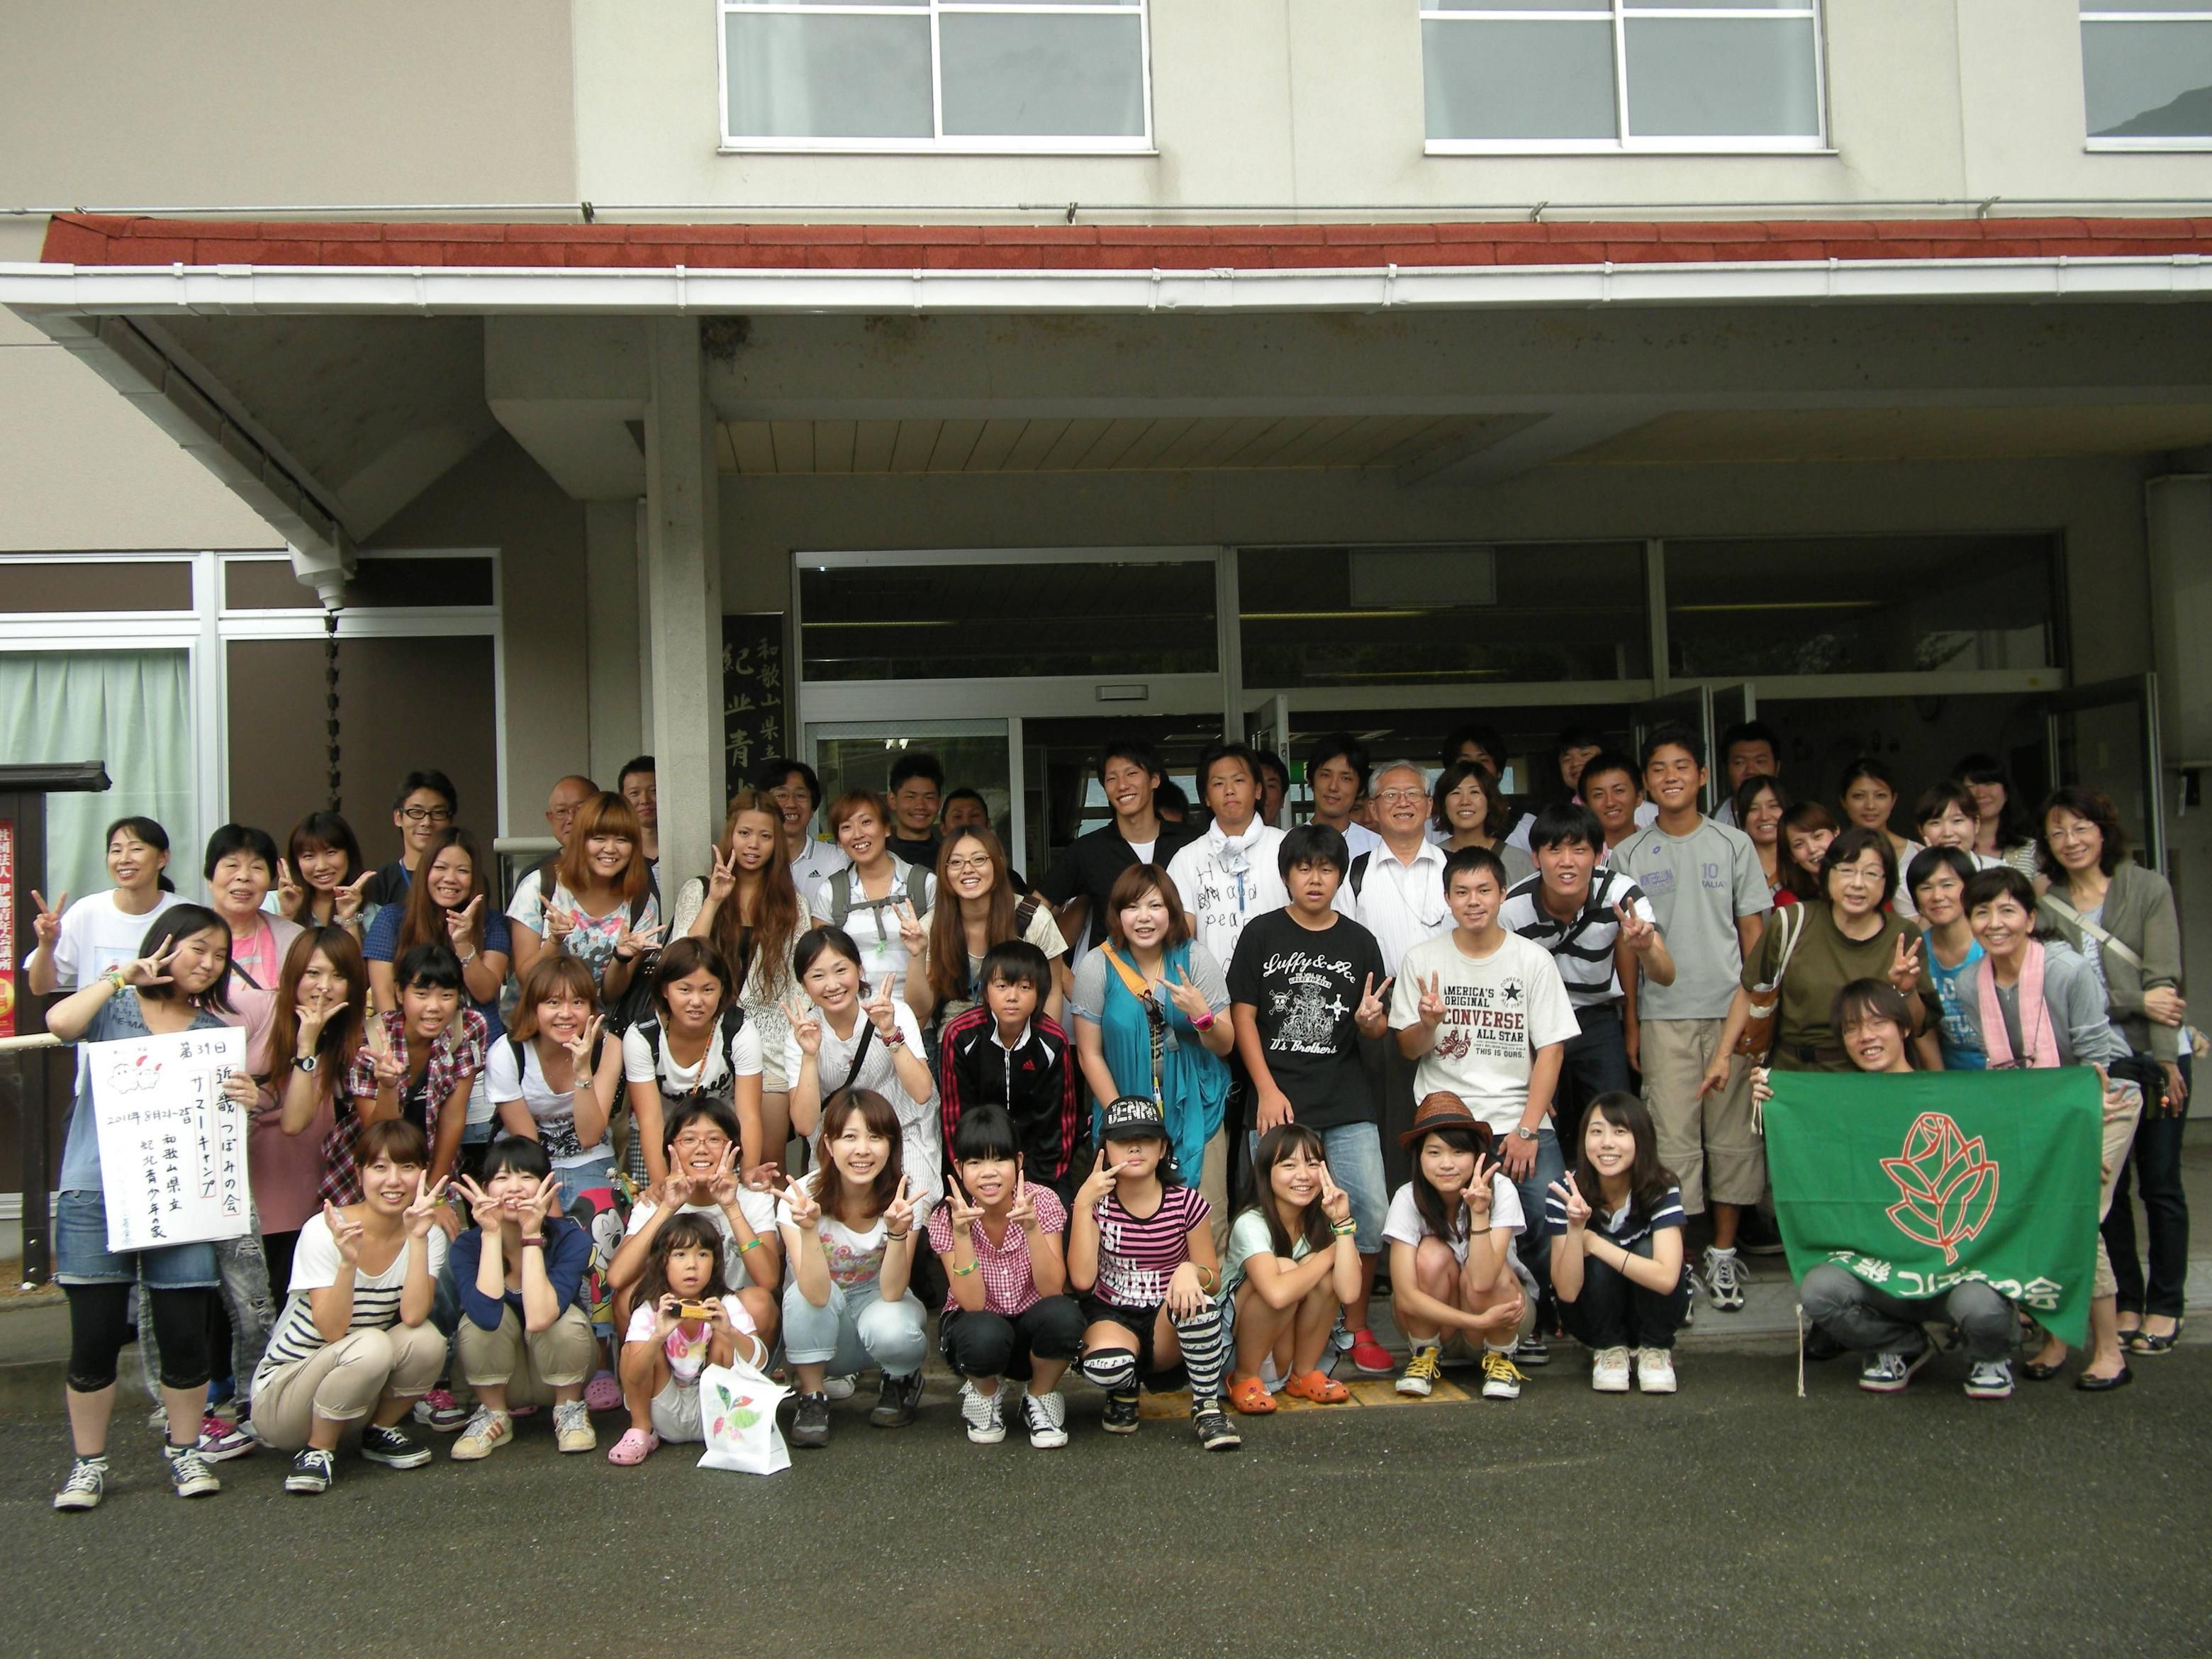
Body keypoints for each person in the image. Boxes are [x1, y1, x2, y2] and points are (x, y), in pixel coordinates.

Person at [46, 905, 240, 1509]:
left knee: (184, 1335)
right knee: (94, 1339)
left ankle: (185, 1451)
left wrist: (245, 1097)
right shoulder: (115, 1007)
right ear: (165, 945)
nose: (208, 964)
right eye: (198, 949)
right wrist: (118, 977)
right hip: (95, 1193)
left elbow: (221, 1125)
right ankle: (88, 1464)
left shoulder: (211, 1035)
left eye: (219, 956)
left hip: (182, 1199)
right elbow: (59, 1022)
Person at [1777, 981, 2023, 1400]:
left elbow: (2025, 1133)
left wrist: (2081, 1107)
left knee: (1981, 1308)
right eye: (1852, 1028)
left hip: (1958, 1270)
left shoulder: (1952, 1096)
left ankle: (1990, 1354)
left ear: (1905, 1028)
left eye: (1878, 1023)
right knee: (1820, 1292)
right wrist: (1774, 1100)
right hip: (1878, 1272)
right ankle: (1900, 1345)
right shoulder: (1839, 1105)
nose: (1866, 1036)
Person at [1388, 845, 1576, 1387]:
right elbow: (1408, 1048)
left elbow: (1552, 1050)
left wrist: (1527, 1128)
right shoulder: (1423, 959)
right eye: (1462, 892)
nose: (1474, 901)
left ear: (1502, 894)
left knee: (1543, 1214)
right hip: (1447, 1123)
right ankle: (1444, 1333)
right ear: (1447, 899)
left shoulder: (1531, 960)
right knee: (1437, 1233)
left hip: (1516, 1117)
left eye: (1484, 890)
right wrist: (1428, 1023)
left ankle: (1526, 1324)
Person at [1959, 866, 2144, 1390]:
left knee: (2074, 1214)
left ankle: (2109, 1351)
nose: (1995, 923)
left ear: (2030, 917)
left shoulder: (2067, 970)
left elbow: (2096, 1058)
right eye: (1982, 912)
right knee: (2036, 1217)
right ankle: (2057, 1339)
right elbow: (1995, 1063)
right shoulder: (1970, 983)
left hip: (2100, 1099)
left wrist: (2082, 1141)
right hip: (2033, 1110)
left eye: (2007, 910)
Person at [1608, 724, 1771, 1315]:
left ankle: (1723, 1254)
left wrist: (1759, 1015)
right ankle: (1677, 1258)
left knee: (1733, 1140)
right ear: (1646, 784)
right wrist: (1632, 1021)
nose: (1670, 777)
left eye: (1682, 766)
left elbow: (1754, 936)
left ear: (1703, 776)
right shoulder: (1628, 853)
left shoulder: (1734, 844)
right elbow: (1628, 950)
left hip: (1731, 1014)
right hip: (1664, 1019)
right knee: (1672, 1141)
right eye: (1658, 769)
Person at [1497, 803, 1675, 1328]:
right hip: (1535, 1032)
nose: (1567, 860)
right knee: (1548, 1135)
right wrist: (1532, 1068)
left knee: (1613, 1128)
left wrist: (1645, 946)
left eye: (1580, 849)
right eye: (1555, 849)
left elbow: (1665, 973)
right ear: (1536, 857)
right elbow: (1508, 995)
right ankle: (1559, 1271)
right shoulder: (1514, 908)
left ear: (1599, 855)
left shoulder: (1622, 893)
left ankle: (1624, 1237)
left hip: (1596, 1021)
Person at [1226, 823, 1394, 1375]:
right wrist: (1266, 1089)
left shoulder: (1359, 941)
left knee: (1367, 1211)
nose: (1315, 878)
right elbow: (1243, 1017)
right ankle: (1282, 1336)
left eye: (1326, 868)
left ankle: (1356, 1325)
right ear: (1287, 876)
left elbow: (1375, 1026)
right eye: (1304, 868)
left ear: (1340, 877)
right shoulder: (1261, 934)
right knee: (1278, 1219)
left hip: (1346, 1102)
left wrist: (1370, 1023)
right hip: (1278, 1102)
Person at [2034, 786, 2189, 1356]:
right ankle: (2126, 1299)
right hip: (2098, 1064)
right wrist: (2135, 1001)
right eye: (2058, 831)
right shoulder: (2046, 903)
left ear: (2104, 831)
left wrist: (2168, 1060)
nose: (2070, 840)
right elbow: (2063, 991)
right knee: (2110, 1186)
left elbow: (2164, 984)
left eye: (2081, 828)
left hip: (2156, 1055)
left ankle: (2167, 1305)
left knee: (2162, 1183)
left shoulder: (2147, 887)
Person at [248, 1121, 447, 1493]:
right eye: (380, 1167)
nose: (393, 1181)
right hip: (284, 1399)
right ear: (359, 1173)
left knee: (427, 1340)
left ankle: (379, 1431)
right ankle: (317, 1451)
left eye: (406, 1167)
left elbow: (413, 1316)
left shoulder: (428, 1234)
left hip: (353, 1389)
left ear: (422, 1174)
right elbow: (332, 1331)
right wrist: (347, 1263)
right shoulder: (325, 1230)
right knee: (372, 1344)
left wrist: (418, 1239)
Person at [1067, 865, 1236, 1230]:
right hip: (1122, 1104)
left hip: (1195, 1105)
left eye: (1155, 906)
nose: (1144, 917)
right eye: (1132, 907)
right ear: (1117, 914)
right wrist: (1123, 1119)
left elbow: (1225, 1045)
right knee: (1128, 1222)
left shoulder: (1194, 959)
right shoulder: (1097, 965)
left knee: (1206, 1220)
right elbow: (1088, 1054)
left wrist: (1202, 1016)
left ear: (1171, 912)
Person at [1068, 1095, 1239, 1450]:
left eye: (1146, 1139)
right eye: (1122, 1140)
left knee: (1203, 1306)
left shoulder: (1186, 1202)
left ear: (1162, 1148)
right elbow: (1082, 1281)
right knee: (1107, 1366)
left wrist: (1190, 1271)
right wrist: (1084, 1202)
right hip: (1112, 1316)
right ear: (1106, 1149)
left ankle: (1207, 1407)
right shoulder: (1095, 1204)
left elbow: (1213, 1278)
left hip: (1167, 1320)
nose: (1135, 1148)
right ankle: (1124, 1390)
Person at [777, 1088, 932, 1446]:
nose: (863, 1149)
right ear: (829, 1145)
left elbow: (892, 1292)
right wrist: (809, 1229)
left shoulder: (903, 1200)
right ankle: (812, 1396)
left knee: (895, 1328)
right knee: (801, 1297)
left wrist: (898, 1232)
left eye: (875, 1137)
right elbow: (815, 1294)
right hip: (822, 1319)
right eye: (850, 1137)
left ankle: (900, 1378)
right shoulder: (801, 1199)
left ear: (891, 1146)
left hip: (876, 1306)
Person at [929, 1105, 1082, 1448]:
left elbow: (1052, 1289)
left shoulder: (1042, 1201)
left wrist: (1032, 1228)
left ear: (1018, 1162)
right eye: (975, 1162)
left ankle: (1039, 1397)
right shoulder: (947, 1216)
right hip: (977, 1329)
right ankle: (985, 1393)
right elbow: (972, 1303)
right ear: (959, 1167)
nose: (988, 1173)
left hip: (1030, 1329)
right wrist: (962, 1235)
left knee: (1065, 1316)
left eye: (999, 1160)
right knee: (982, 1333)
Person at [364, 827, 513, 1169]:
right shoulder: (392, 918)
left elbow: (485, 991)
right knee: (404, 1161)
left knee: (476, 1167)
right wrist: (396, 1054)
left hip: (477, 1068)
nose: (450, 879)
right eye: (441, 868)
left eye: (462, 870)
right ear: (424, 870)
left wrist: (463, 944)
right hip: (408, 1067)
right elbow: (384, 995)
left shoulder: (491, 923)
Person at [674, 790, 803, 1173]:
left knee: (767, 1164)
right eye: (745, 833)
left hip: (771, 1047)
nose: (753, 845)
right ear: (731, 834)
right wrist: (714, 901)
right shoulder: (698, 890)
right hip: (706, 1041)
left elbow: (799, 984)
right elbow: (679, 962)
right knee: (705, 1162)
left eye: (765, 836)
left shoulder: (792, 902)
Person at [448, 1138, 598, 1459]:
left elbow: (542, 1317)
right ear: (485, 1189)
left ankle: (569, 1411)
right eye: (502, 1178)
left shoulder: (570, 1238)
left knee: (563, 1319)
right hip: (502, 1379)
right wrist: (490, 1233)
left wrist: (531, 1235)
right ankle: (494, 1415)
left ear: (547, 1187)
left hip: (559, 1375)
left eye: (527, 1177)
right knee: (476, 1323)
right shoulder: (467, 1247)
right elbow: (485, 1318)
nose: (514, 1187)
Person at [1341, 761, 1453, 1186]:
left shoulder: (1453, 870)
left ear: (1429, 805)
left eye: (1412, 794)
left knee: (1450, 1115)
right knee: (1392, 1119)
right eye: (1390, 795)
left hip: (1451, 1008)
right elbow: (1344, 949)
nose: (1402, 803)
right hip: (1382, 1011)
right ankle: (1398, 1209)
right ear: (1372, 808)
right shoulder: (1355, 873)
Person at [1384, 1093, 1530, 1401]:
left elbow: (1483, 1280)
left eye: (1458, 1151)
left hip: (1501, 1321)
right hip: (1438, 1328)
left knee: (1493, 1268)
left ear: (1477, 1156)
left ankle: (1501, 1358)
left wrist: (1480, 1213)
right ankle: (1424, 1354)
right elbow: (1406, 1296)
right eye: (1434, 1152)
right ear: (1419, 1158)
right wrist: (1475, 1321)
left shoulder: (1501, 1189)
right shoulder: (1407, 1198)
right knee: (1430, 1254)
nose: (1447, 1164)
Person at [784, 926, 942, 1207]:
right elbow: (805, 1124)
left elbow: (922, 1092)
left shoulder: (894, 1012)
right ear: (804, 985)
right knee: (829, 1214)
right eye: (818, 976)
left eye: (840, 970)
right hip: (840, 1144)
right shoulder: (801, 1034)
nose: (832, 985)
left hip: (902, 1134)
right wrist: (810, 1055)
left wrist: (890, 1033)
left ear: (859, 969)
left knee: (910, 1210)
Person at [609, 1098, 783, 1350]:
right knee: (627, 1298)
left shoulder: (754, 1200)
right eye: (689, 1139)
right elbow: (616, 1278)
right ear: (671, 1149)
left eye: (714, 1139)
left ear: (733, 1148)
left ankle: (739, 1374)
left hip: (731, 1317)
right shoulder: (655, 1202)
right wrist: (667, 1208)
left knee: (760, 1302)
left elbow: (768, 1280)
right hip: (672, 1317)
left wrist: (731, 1207)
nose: (702, 1149)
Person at [1545, 1093, 1687, 1393]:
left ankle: (1655, 1350)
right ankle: (1609, 1349)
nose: (1607, 1143)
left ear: (1641, 1139)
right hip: (1592, 1318)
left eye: (1620, 1132)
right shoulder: (1565, 1191)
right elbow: (1567, 1292)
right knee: (1592, 1259)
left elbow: (1666, 1279)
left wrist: (1596, 1244)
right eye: (1597, 1132)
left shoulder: (1661, 1188)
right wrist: (1576, 1230)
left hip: (1654, 1314)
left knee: (1647, 1249)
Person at [259, 927, 369, 1298]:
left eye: (338, 976)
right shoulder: (262, 1014)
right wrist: (305, 1045)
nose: (324, 986)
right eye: (313, 973)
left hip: (326, 1198)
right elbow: (293, 1123)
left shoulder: (357, 1038)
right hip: (266, 1193)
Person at [1220, 1124, 1362, 1414]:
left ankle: (1303, 1374)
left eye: (1312, 1164)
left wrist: (1343, 1225)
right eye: (1289, 1165)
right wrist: (1329, 1254)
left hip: (1287, 1348)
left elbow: (1349, 1293)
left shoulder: (1324, 1220)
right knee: (1285, 1268)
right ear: (1266, 1172)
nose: (1303, 1175)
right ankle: (1245, 1378)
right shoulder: (1251, 1223)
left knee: (1321, 1274)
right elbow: (1276, 1295)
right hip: (1235, 1351)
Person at [607, 1212, 767, 1466]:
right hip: (665, 1412)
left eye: (702, 1255)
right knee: (635, 1350)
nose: (692, 1265)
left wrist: (730, 1332)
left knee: (725, 1338)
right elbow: (634, 1374)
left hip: (716, 1413)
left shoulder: (725, 1303)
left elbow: (759, 1361)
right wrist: (659, 1336)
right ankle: (640, 1429)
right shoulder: (650, 1309)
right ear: (662, 1262)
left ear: (715, 1262)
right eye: (680, 1255)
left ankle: (733, 1432)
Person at [939, 940, 1085, 1207]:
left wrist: (1037, 1187)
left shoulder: (1053, 1041)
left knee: (1060, 1214)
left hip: (1037, 1165)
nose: (1012, 996)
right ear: (986, 991)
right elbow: (954, 1118)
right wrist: (971, 1176)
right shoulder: (961, 1036)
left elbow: (1058, 1123)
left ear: (1041, 994)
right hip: (976, 1164)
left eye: (1024, 987)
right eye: (1002, 986)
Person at [340, 943, 487, 1195]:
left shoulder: (467, 1028)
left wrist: (433, 1192)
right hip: (370, 1168)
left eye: (446, 995)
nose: (434, 1007)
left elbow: (453, 1115)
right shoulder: (369, 1039)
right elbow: (377, 1133)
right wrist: (388, 1086)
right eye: (421, 994)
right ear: (400, 993)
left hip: (433, 1160)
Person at [620, 937, 766, 1188]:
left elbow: (748, 1115)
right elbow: (650, 1121)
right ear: (665, 990)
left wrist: (748, 1174)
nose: (697, 1001)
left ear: (722, 989)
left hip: (720, 1136)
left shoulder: (739, 1030)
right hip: (662, 1137)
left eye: (708, 990)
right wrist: (662, 1186)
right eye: (685, 990)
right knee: (657, 1201)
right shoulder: (642, 1036)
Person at [1038, 738, 1200, 956]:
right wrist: (1062, 973)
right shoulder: (1088, 850)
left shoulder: (1190, 843)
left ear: (1154, 779)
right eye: (1112, 778)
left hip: (1180, 973)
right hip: (1108, 975)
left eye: (1131, 774)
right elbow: (1033, 911)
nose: (1122, 785)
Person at [488, 956, 622, 1208]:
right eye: (553, 1002)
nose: (566, 1014)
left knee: (601, 1221)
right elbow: (528, 1146)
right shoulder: (506, 1054)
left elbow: (590, 1136)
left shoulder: (608, 1048)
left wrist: (583, 1072)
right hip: (523, 1164)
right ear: (533, 1007)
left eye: (578, 1002)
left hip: (590, 1158)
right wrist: (550, 1207)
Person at [909, 825, 1068, 1031]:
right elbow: (920, 1011)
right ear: (944, 871)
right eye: (956, 862)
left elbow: (1053, 991)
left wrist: (1046, 1044)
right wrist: (917, 956)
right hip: (957, 1038)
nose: (968, 869)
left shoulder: (1034, 918)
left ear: (998, 863)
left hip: (1024, 1034)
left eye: (979, 859)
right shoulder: (932, 926)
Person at [508, 791, 660, 1002]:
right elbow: (526, 979)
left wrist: (621, 957)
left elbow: (610, 996)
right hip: (538, 1016)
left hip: (598, 1019)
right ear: (581, 840)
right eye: (599, 838)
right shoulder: (539, 886)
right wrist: (554, 940)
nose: (610, 849)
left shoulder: (643, 903)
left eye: (622, 840)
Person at [1165, 742, 1289, 976]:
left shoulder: (1287, 847)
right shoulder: (1187, 859)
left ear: (1258, 790)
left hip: (1281, 985)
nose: (1229, 790)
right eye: (1218, 783)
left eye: (1239, 780)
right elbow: (1180, 937)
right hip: (1209, 991)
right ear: (1206, 797)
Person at [26, 815, 181, 997]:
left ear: (162, 858)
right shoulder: (88, 911)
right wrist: (47, 945)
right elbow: (39, 987)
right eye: (116, 851)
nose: (124, 859)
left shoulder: (183, 915)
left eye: (136, 849)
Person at [808, 789, 934, 1002]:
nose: (857, 834)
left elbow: (939, 962)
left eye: (866, 822)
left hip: (915, 1013)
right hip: (853, 1014)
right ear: (838, 840)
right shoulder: (831, 892)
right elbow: (823, 965)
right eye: (846, 827)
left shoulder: (924, 883)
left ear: (887, 828)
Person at [1905, 847, 1986, 1071]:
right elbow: (1923, 1030)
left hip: (2005, 1070)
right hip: (1950, 1072)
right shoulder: (1916, 953)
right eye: (1926, 888)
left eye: (1947, 885)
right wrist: (1941, 1083)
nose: (1937, 896)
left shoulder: (1991, 944)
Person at [202, 823, 303, 997]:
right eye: (232, 865)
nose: (244, 876)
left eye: (256, 868)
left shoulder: (293, 939)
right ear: (210, 878)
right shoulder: (183, 936)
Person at [361, 770, 459, 908]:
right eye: (416, 812)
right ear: (398, 818)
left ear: (450, 820)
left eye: (438, 813)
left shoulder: (463, 880)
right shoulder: (380, 882)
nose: (427, 822)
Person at [1430, 759, 1534, 889]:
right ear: (1444, 805)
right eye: (1456, 793)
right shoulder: (1430, 859)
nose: (1465, 801)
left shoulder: (1518, 860)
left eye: (1474, 792)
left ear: (1490, 803)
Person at [759, 755, 849, 896]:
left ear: (813, 809)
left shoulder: (835, 857)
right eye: (781, 795)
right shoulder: (753, 858)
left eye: (800, 796)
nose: (791, 804)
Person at [276, 812, 376, 934]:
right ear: (296, 862)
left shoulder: (374, 914)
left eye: (331, 852)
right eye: (309, 856)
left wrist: (349, 920)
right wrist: (287, 915)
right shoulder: (273, 903)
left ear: (349, 854)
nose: (321, 866)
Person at [1954, 752, 2039, 875]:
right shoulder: (1949, 848)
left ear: (2006, 793)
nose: (1981, 794)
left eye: (1989, 784)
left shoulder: (2031, 850)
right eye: (1971, 786)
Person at [1305, 732, 1382, 859]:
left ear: (1360, 788)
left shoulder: (1377, 848)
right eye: (1325, 775)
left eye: (1346, 778)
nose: (1333, 787)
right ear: (1310, 780)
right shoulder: (1286, 843)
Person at [1839, 756, 1918, 871]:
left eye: (1880, 795)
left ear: (1893, 800)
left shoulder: (1916, 855)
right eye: (1859, 796)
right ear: (1843, 801)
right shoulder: (1831, 853)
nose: (1870, 806)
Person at [1733, 776, 1796, 904]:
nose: (1764, 817)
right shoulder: (1732, 867)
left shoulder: (1803, 861)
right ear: (1742, 819)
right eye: (1753, 809)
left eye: (1773, 806)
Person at [1577, 752, 1653, 857]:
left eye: (1619, 791)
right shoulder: (1577, 857)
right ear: (1585, 805)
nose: (1610, 802)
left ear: (1639, 796)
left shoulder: (1659, 850)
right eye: (1599, 795)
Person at [1712, 720, 1783, 829]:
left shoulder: (1801, 821)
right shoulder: (1708, 827)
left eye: (1760, 761)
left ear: (1777, 767)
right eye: (1740, 763)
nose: (1750, 771)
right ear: (1726, 770)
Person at [885, 751, 946, 869]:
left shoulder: (950, 858)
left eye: (929, 797)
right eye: (910, 797)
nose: (920, 806)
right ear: (892, 800)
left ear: (939, 803)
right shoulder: (878, 856)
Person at [1777, 800, 1840, 903]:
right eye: (1799, 844)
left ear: (1836, 834)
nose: (1812, 849)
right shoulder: (1788, 901)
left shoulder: (1862, 884)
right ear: (1792, 856)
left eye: (1817, 837)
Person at [618, 754, 660, 877]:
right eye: (635, 793)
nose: (644, 800)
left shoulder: (686, 848)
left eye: (654, 791)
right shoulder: (616, 853)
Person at [1252, 749, 1290, 830]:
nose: (1262, 793)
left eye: (1271, 786)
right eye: (1255, 785)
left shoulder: (1288, 838)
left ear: (1282, 799)